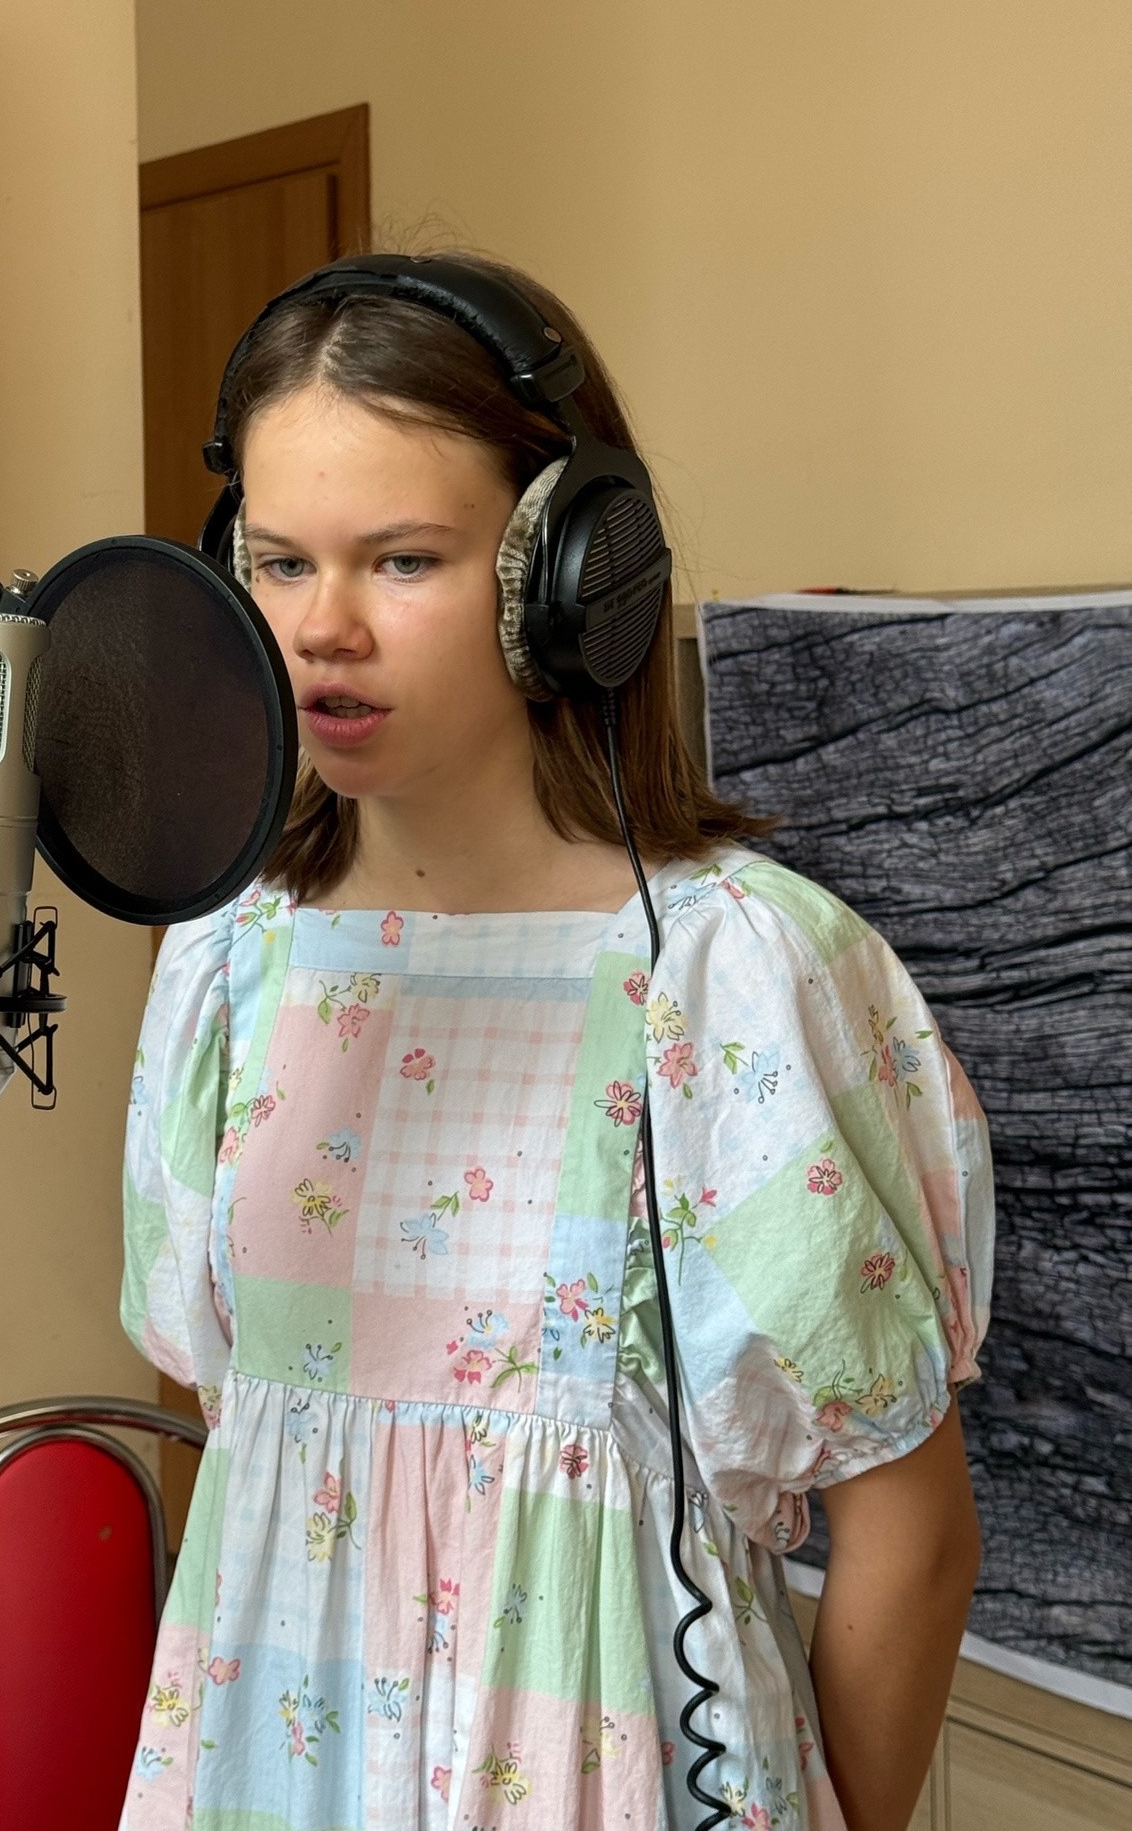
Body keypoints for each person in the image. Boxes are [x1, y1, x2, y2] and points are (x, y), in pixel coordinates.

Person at [119, 255, 992, 1831]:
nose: (321, 630)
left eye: (402, 561)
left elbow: (910, 1531)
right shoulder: (226, 958)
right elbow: (224, 1422)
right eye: (279, 563)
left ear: (574, 581)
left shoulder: (733, 975)